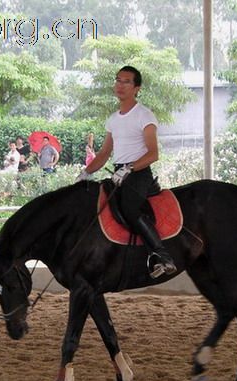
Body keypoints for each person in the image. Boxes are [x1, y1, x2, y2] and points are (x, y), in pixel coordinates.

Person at [77, 65, 176, 278]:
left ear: (137, 88)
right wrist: (85, 173)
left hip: (139, 173)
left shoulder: (144, 115)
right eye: (118, 80)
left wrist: (129, 168)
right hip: (118, 172)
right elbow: (104, 153)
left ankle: (162, 255)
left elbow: (153, 153)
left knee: (130, 209)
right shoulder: (113, 119)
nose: (120, 85)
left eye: (126, 82)